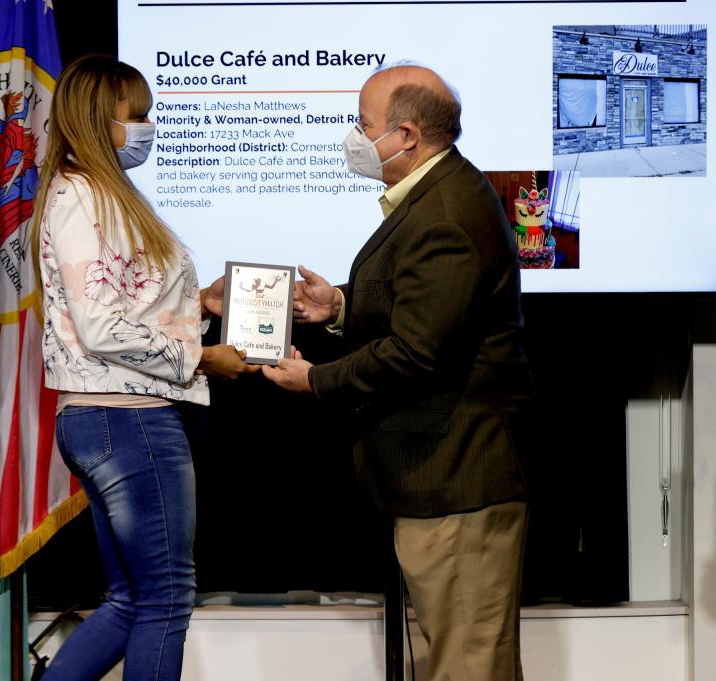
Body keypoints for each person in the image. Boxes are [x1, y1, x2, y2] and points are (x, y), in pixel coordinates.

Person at [263, 64, 535, 681]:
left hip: (456, 476)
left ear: (407, 136)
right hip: (441, 479)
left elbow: (416, 351)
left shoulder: (443, 213)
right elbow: (427, 306)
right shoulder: (439, 194)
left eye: (363, 126)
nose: (354, 139)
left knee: (467, 667)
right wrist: (340, 305)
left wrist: (316, 381)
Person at [32, 55, 257, 681]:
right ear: (104, 121)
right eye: (140, 115)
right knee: (164, 598)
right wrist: (202, 356)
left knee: (132, 600)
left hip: (113, 416)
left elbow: (122, 303)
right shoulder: (81, 195)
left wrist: (201, 305)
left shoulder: (100, 193)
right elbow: (102, 327)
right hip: (126, 420)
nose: (150, 126)